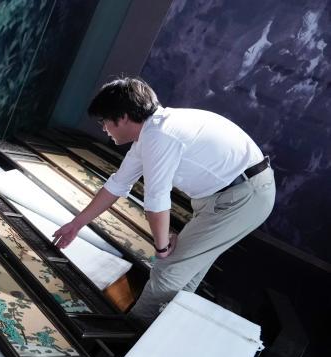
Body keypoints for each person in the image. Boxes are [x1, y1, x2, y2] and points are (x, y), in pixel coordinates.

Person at [52, 77, 275, 327]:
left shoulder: (160, 135)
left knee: (167, 272)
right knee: (183, 277)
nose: (104, 128)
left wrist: (161, 249)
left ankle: (131, 337)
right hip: (232, 196)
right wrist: (76, 225)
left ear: (123, 117)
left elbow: (157, 200)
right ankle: (159, 334)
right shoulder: (151, 133)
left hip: (242, 198)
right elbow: (117, 185)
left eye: (104, 121)